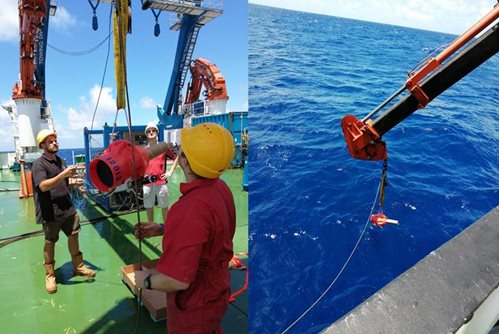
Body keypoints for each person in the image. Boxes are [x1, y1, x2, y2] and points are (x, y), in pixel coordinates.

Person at [134, 123, 236, 334]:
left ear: (185, 162)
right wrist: (163, 227)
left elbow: (177, 280)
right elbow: (209, 230)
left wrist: (145, 280)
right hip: (216, 290)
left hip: (195, 305)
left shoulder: (188, 209)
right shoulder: (221, 189)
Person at [32, 129, 95, 294]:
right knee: (50, 241)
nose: (54, 143)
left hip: (67, 207)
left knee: (74, 234)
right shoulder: (39, 164)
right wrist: (63, 174)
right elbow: (44, 186)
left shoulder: (60, 161)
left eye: (55, 140)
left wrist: (75, 180)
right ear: (43, 145)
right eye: (50, 141)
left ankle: (78, 266)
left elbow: (64, 182)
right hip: (50, 211)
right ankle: (50, 275)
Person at [143, 122, 177, 223]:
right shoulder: (143, 150)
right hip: (147, 182)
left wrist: (170, 172)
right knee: (149, 206)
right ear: (146, 134)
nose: (151, 132)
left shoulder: (163, 147)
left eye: (153, 130)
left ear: (157, 133)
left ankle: (166, 227)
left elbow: (176, 157)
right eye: (149, 131)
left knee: (164, 206)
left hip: (161, 182)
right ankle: (151, 225)